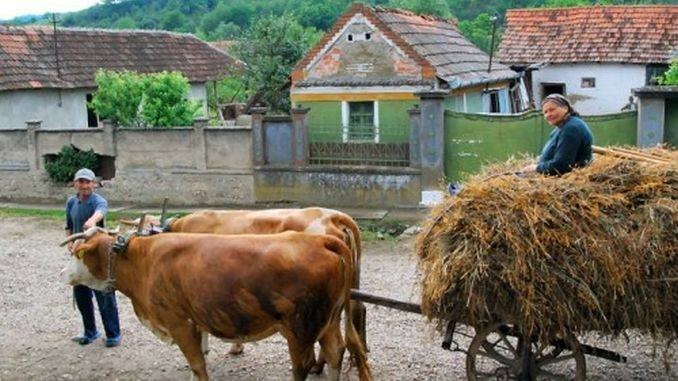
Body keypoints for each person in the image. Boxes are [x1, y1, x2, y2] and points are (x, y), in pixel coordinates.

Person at [65, 168, 122, 347]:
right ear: (75, 183)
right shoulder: (71, 202)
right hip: (79, 254)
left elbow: (101, 211)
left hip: (98, 256)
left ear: (93, 184)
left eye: (88, 182)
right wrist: (69, 241)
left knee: (104, 294)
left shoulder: (98, 201)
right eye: (81, 182)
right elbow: (68, 224)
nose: (84, 185)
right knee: (81, 294)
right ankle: (90, 332)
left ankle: (113, 334)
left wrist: (92, 220)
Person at [522, 94, 593, 176]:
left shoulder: (571, 128)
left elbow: (561, 166)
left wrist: (537, 168)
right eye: (545, 112)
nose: (548, 115)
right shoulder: (562, 127)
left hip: (565, 178)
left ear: (566, 108)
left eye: (552, 110)